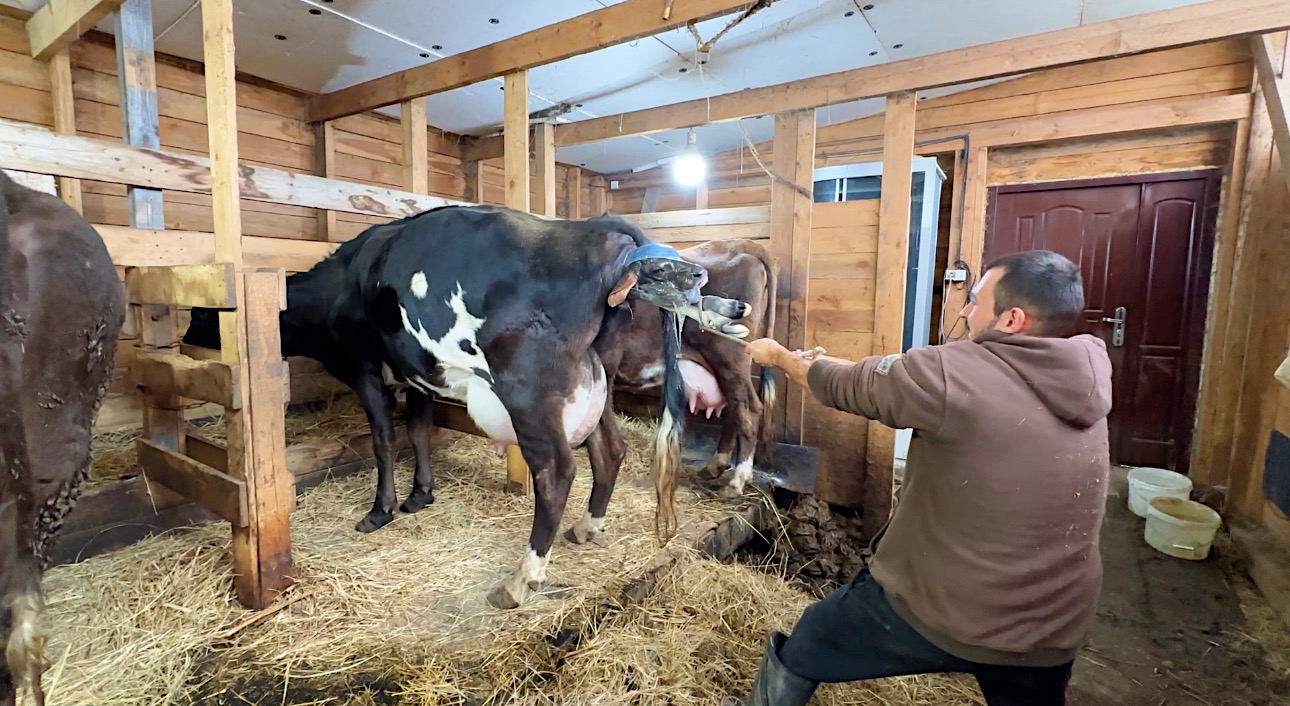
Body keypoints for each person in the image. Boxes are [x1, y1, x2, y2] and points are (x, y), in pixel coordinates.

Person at [736, 249, 1113, 706]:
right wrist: (826, 362)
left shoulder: (953, 370)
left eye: (975, 300)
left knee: (811, 638)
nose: (966, 310)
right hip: (1051, 628)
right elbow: (878, 379)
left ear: (1012, 319)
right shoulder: (1084, 374)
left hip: (944, 609)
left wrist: (777, 356)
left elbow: (851, 387)